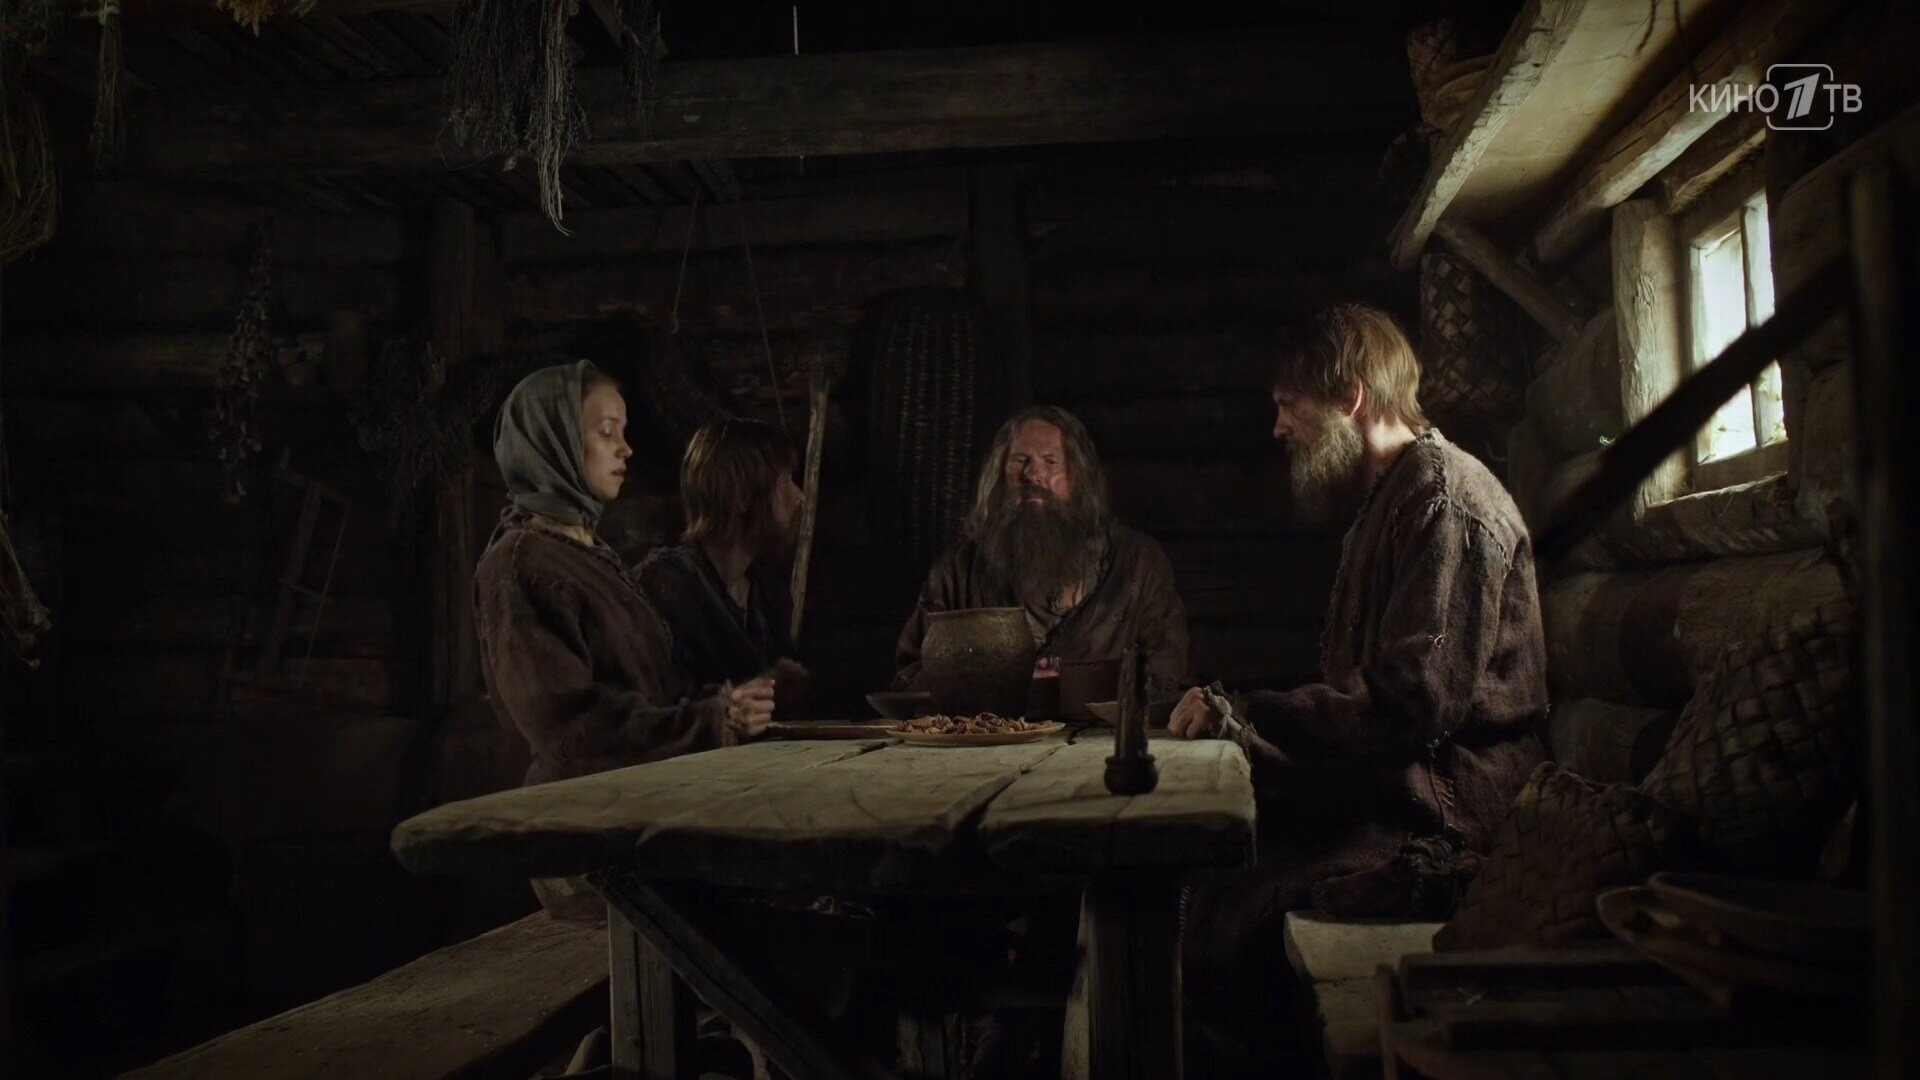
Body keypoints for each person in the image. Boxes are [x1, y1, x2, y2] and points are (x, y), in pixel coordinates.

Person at [1165, 304, 1547, 1067]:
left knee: (1223, 913)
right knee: (1197, 872)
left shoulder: (1446, 501)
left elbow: (1413, 703)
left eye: (1289, 404)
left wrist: (1246, 718)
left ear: (1352, 398)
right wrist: (1242, 721)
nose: (1279, 428)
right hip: (1395, 794)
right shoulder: (1390, 500)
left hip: (1445, 822)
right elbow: (1367, 696)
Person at [473, 360, 774, 920]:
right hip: (587, 838)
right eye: (606, 431)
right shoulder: (519, 564)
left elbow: (647, 689)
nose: (626, 448)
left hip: (641, 810)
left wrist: (723, 704)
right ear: (555, 443)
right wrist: (710, 721)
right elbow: (569, 729)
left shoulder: (590, 553)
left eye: (624, 431)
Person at [894, 405, 1190, 695]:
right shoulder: (957, 572)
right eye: (1020, 459)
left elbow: (1166, 675)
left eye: (1050, 461)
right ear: (998, 474)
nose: (1033, 474)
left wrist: (1080, 685)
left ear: (1079, 476)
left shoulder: (1138, 564)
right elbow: (909, 677)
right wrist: (994, 680)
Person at [640, 418, 810, 706]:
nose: (799, 496)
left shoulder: (769, 594)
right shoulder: (667, 587)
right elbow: (659, 704)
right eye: (785, 482)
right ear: (744, 495)